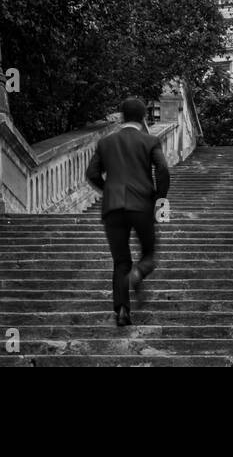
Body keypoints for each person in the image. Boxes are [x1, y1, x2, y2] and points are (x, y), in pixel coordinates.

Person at [85, 98, 171, 327]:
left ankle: (122, 310)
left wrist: (110, 190)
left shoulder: (106, 143)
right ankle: (138, 273)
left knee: (121, 261)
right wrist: (159, 199)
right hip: (142, 205)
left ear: (121, 117)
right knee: (149, 255)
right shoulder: (150, 140)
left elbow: (92, 174)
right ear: (144, 118)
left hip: (113, 208)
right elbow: (162, 169)